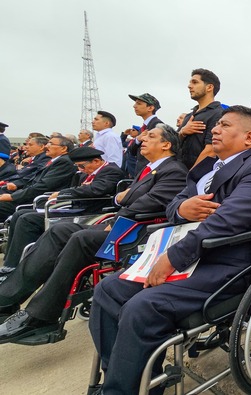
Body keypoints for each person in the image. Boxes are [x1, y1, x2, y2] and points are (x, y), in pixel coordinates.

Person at [88, 105, 251, 394]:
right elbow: (172, 205)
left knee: (142, 306)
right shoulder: (205, 168)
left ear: (249, 137)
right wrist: (182, 208)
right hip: (189, 254)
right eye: (216, 125)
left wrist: (172, 259)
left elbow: (227, 222)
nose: (215, 129)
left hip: (228, 262)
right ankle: (127, 376)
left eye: (225, 125)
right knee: (107, 290)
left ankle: (121, 388)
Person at [0, 124, 187, 341]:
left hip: (139, 232)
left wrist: (118, 218)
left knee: (81, 239)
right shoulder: (151, 169)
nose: (143, 139)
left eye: (151, 136)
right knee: (59, 231)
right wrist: (121, 204)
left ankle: (40, 317)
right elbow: (125, 198)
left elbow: (151, 203)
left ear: (166, 144)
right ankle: (8, 298)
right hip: (123, 224)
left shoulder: (174, 170)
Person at [0, 147, 123, 273]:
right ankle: (11, 263)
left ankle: (20, 267)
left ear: (96, 161)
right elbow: (79, 189)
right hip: (76, 208)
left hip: (93, 212)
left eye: (82, 166)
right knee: (20, 214)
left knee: (28, 219)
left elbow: (97, 189)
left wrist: (62, 193)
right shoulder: (86, 173)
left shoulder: (111, 171)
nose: (81, 170)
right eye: (78, 167)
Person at [0, 136, 76, 222]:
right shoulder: (53, 161)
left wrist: (12, 197)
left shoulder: (64, 162)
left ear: (63, 148)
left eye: (51, 143)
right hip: (29, 195)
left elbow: (43, 186)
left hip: (39, 200)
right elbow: (33, 180)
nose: (47, 146)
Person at [177, 68, 223, 169]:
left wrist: (190, 177)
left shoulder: (218, 114)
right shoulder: (189, 116)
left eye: (195, 82)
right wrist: (182, 132)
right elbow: (173, 145)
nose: (189, 86)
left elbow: (211, 150)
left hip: (196, 178)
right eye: (190, 82)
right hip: (178, 174)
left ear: (209, 87)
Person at [127, 93, 163, 176]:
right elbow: (132, 151)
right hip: (141, 171)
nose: (134, 106)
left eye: (139, 103)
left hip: (150, 172)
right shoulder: (144, 127)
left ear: (150, 108)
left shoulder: (157, 126)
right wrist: (137, 139)